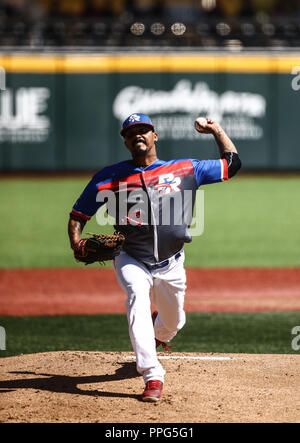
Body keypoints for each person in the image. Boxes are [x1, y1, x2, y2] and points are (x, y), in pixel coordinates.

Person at [68, 113, 241, 402]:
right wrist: (75, 241)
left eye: (144, 130)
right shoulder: (108, 178)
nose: (138, 135)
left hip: (172, 263)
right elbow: (78, 215)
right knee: (136, 294)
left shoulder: (185, 168)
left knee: (173, 322)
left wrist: (216, 130)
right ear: (124, 140)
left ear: (155, 136)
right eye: (131, 132)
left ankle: (159, 333)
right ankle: (152, 375)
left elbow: (232, 164)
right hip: (130, 257)